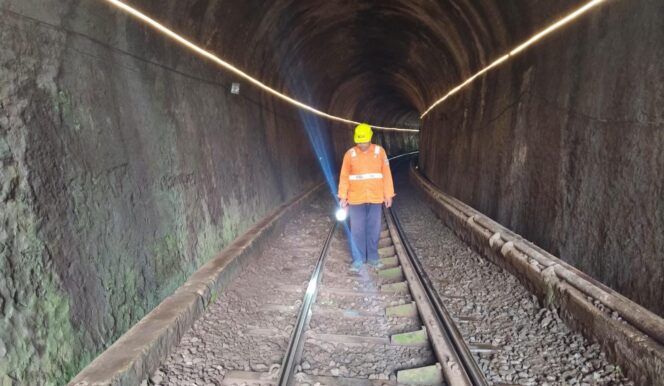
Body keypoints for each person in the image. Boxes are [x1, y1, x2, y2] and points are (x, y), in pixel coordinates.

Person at [338, 123, 395, 271]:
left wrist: (388, 194)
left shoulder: (379, 152)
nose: (362, 144)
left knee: (374, 228)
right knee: (357, 229)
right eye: (359, 141)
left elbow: (386, 174)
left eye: (364, 141)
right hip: (356, 199)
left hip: (375, 198)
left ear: (370, 138)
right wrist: (343, 196)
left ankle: (373, 258)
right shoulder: (350, 154)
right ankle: (359, 259)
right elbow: (344, 177)